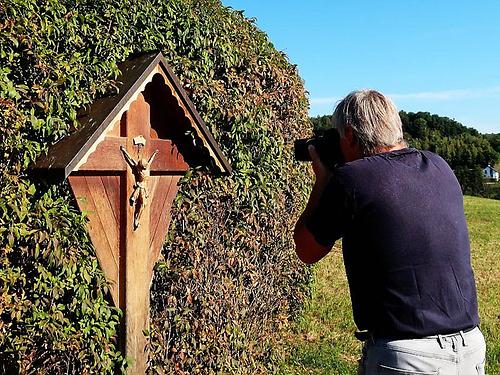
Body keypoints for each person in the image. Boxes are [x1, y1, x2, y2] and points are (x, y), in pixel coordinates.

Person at [294, 90, 486, 374]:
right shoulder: (439, 165)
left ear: (349, 134)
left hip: (406, 356)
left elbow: (306, 249)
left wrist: (323, 181)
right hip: (469, 347)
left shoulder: (352, 178)